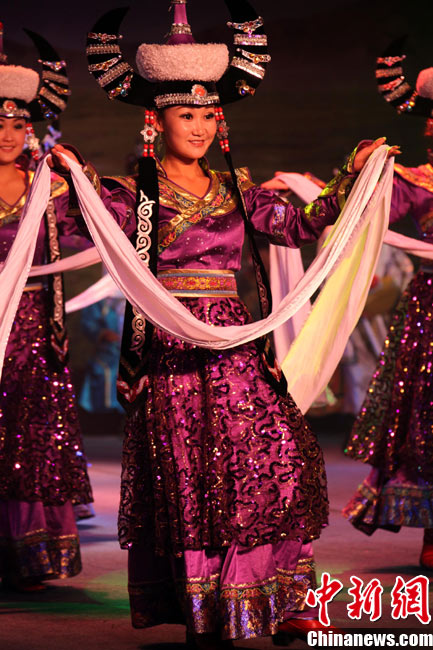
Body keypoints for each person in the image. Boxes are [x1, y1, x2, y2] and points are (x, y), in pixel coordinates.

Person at [51, 1, 391, 646]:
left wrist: (353, 172)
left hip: (237, 343)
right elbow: (75, 222)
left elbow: (298, 225)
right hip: (171, 349)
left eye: (210, 115)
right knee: (196, 481)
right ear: (156, 120)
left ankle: (280, 598)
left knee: (277, 458)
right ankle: (210, 609)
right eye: (187, 115)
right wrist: (69, 178)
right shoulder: (132, 195)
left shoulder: (237, 189)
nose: (201, 127)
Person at [0, 26, 93, 591]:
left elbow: (87, 233)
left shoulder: (47, 187)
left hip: (34, 327)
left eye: (17, 125)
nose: (7, 135)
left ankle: (30, 552)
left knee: (30, 436)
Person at [343, 45, 433, 569]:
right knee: (426, 415)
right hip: (431, 309)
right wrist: (324, 184)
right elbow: (364, 209)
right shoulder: (417, 182)